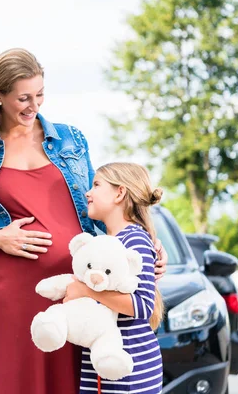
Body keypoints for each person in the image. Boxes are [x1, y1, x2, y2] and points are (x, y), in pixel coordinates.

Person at [0, 48, 167, 394]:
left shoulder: (71, 139)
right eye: (23, 97)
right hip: (18, 291)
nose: (33, 105)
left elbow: (99, 210)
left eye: (39, 95)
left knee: (77, 382)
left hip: (81, 288)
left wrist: (144, 244)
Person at [64, 162, 164, 393]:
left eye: (97, 185)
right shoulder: (107, 242)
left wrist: (86, 290)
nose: (88, 192)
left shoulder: (134, 239)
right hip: (102, 368)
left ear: (120, 193)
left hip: (131, 369)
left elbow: (143, 306)